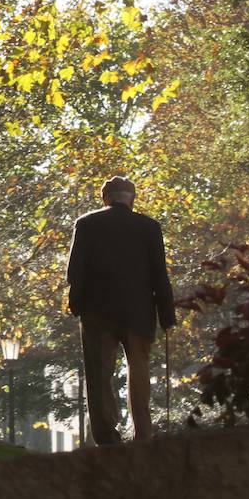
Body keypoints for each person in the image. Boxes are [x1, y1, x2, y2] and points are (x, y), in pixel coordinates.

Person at [66, 175, 175, 444]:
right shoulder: (149, 227)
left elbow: (73, 272)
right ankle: (143, 432)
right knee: (138, 370)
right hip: (138, 311)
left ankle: (106, 435)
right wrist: (167, 315)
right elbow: (159, 275)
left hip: (97, 311)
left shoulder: (86, 224)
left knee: (99, 373)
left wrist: (77, 305)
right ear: (132, 199)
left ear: (105, 198)